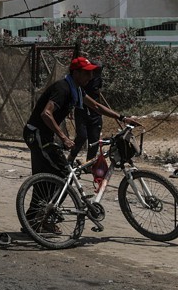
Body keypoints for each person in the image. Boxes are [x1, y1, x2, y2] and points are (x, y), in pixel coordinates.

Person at [22, 57, 135, 229]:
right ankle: (40, 218)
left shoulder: (77, 90)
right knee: (59, 173)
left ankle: (36, 219)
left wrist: (121, 117)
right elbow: (46, 114)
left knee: (49, 176)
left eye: (91, 72)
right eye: (86, 73)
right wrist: (64, 137)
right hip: (36, 133)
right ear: (76, 73)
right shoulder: (63, 88)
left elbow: (96, 106)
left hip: (43, 135)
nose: (90, 76)